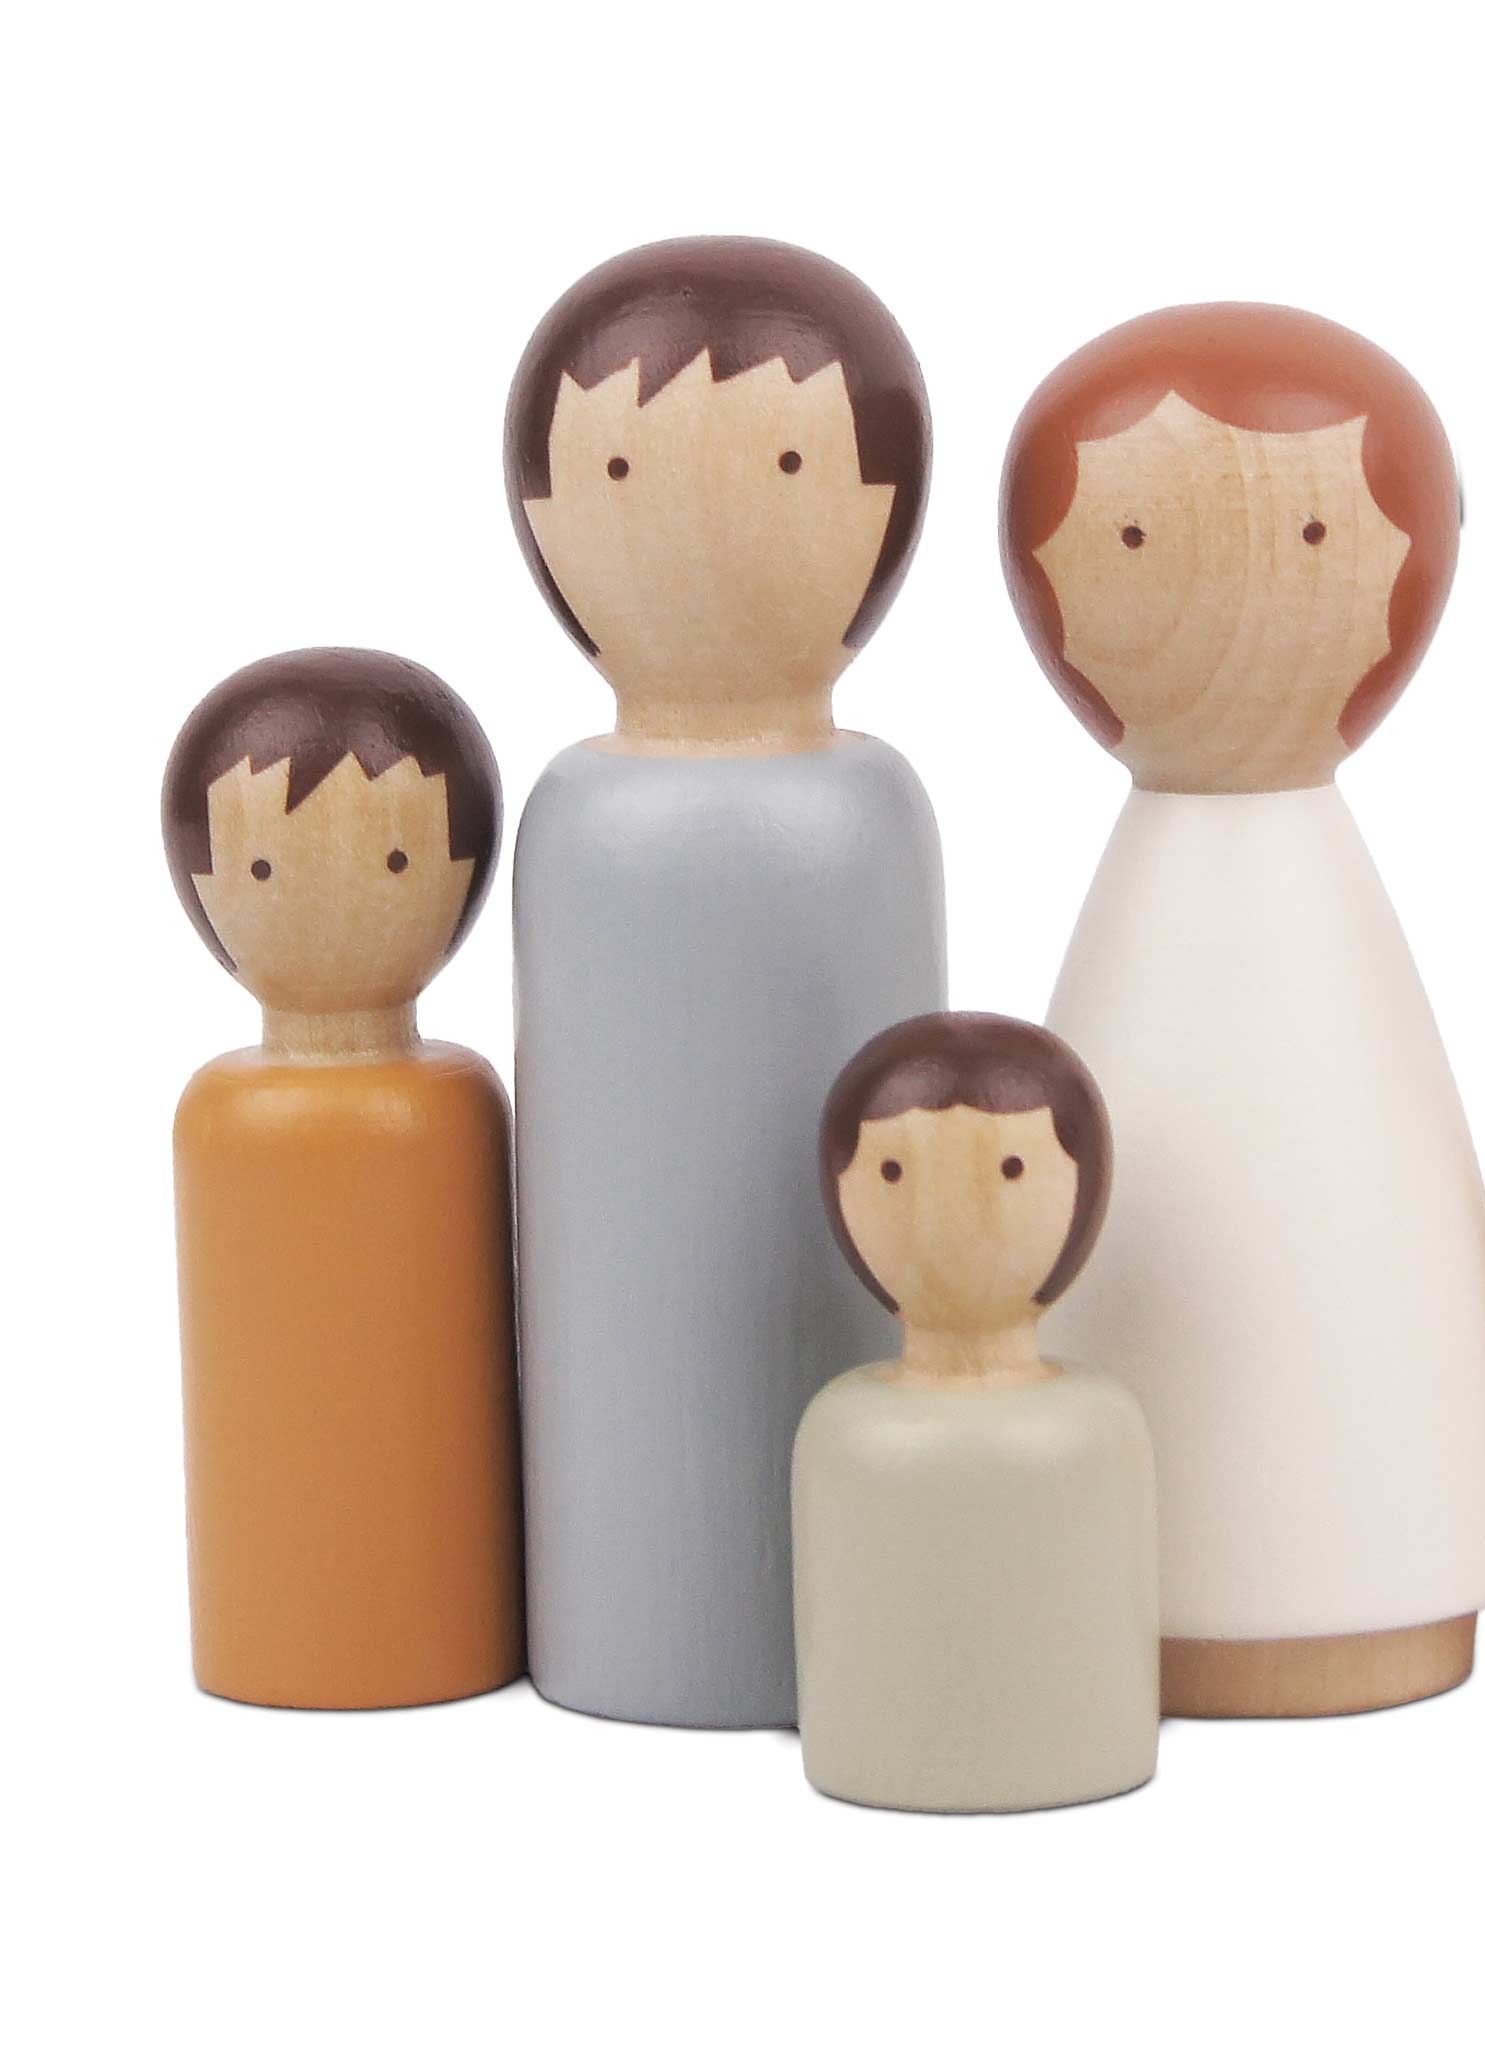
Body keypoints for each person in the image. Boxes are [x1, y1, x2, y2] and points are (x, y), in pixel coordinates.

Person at [1000, 303, 1485, 1716]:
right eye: (1133, 539)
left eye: (1309, 533)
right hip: (1103, 1611)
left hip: (1404, 1590)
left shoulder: (1320, 935)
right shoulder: (1168, 922)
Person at [506, 237, 946, 1727]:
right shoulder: (583, 823)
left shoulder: (865, 812)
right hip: (598, 1606)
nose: (704, 509)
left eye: (784, 464)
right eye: (623, 471)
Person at [164, 646, 523, 1708]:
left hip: (453, 1628)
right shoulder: (226, 1119)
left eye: (398, 859)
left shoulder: (453, 1103)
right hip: (263, 1638)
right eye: (262, 867)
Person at [794, 1012, 1157, 1812]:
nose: (951, 1214)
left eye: (1013, 1168)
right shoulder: (845, 1434)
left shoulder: (1097, 1429)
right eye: (893, 1173)